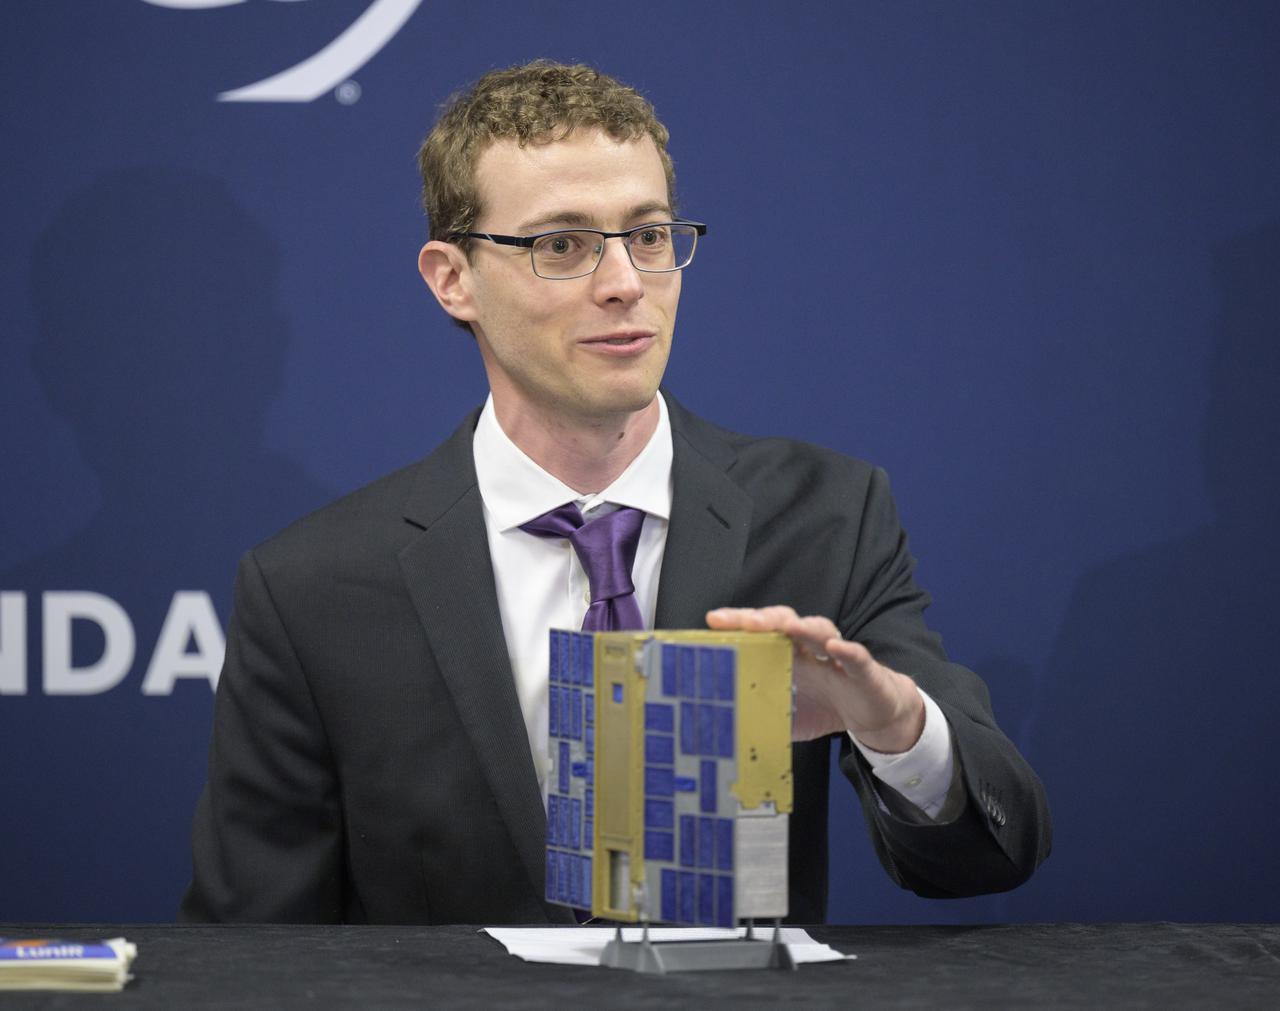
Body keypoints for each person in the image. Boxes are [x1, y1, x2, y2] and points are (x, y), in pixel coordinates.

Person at [180, 61, 1050, 925]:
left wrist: (896, 726)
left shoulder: (825, 516)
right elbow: (252, 950)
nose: (626, 281)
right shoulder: (313, 586)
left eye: (649, 235)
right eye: (562, 244)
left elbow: (988, 854)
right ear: (453, 279)